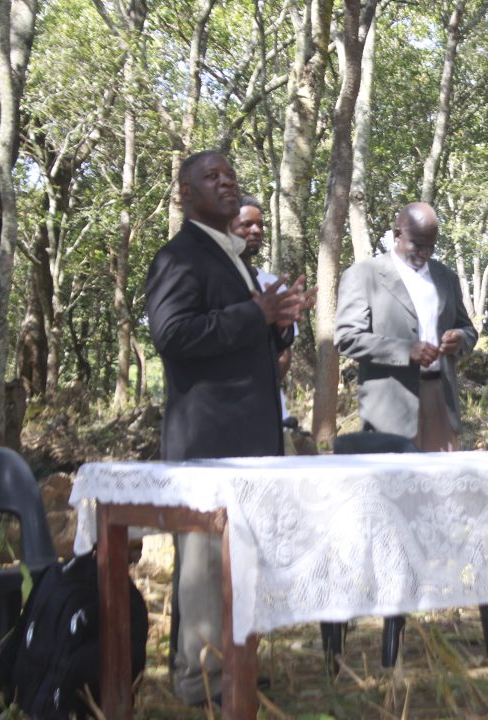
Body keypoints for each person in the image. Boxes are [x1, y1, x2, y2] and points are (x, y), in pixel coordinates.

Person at [145, 150, 314, 706]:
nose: (226, 183)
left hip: (248, 439)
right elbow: (173, 335)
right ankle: (200, 679)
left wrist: (280, 323)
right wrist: (254, 314)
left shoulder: (234, 257)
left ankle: (232, 666)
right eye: (211, 177)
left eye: (230, 176)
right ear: (186, 194)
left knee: (239, 563)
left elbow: (245, 339)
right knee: (203, 566)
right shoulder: (178, 257)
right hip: (208, 438)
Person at [335, 201, 478, 451]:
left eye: (431, 246)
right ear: (397, 234)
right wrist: (405, 350)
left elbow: (468, 330)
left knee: (443, 475)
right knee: (395, 476)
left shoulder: (446, 278)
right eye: (418, 245)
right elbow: (347, 338)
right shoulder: (363, 275)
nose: (425, 253)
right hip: (390, 408)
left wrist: (459, 338)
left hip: (440, 400)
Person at [230, 196, 298, 435]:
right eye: (247, 224)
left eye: (260, 225)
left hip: (270, 412)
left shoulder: (272, 284)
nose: (257, 230)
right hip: (224, 413)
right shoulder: (212, 280)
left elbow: (284, 353)